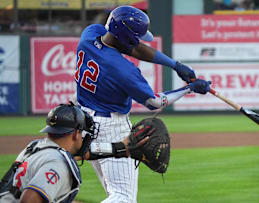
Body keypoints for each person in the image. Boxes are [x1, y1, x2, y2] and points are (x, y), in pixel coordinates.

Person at [74, 5, 211, 203]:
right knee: (123, 198)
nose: (138, 41)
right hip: (111, 129)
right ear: (126, 37)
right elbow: (154, 102)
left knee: (115, 193)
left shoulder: (90, 34)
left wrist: (175, 65)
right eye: (136, 36)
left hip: (84, 122)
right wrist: (189, 89)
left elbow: (135, 48)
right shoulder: (123, 70)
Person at [0, 103, 154, 203]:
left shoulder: (34, 146)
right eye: (82, 132)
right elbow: (29, 200)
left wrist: (120, 148)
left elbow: (81, 153)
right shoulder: (57, 164)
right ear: (75, 134)